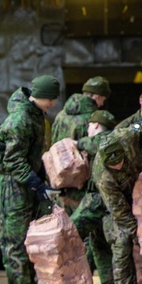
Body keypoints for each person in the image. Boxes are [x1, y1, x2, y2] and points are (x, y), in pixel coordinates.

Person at [0, 74, 61, 284]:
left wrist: (41, 179)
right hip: (11, 185)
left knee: (29, 241)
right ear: (38, 96)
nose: (52, 103)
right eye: (49, 99)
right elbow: (12, 160)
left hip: (25, 183)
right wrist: (35, 181)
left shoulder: (37, 116)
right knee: (15, 241)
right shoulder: (20, 120)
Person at [93, 121, 142, 284]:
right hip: (120, 206)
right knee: (121, 243)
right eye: (113, 166)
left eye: (120, 162)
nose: (118, 167)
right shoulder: (104, 178)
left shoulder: (127, 137)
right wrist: (137, 234)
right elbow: (120, 213)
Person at [69, 109, 118, 284]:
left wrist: (77, 142)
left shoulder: (104, 139)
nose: (88, 129)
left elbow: (95, 144)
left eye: (89, 125)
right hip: (104, 201)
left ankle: (68, 283)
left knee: (68, 233)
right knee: (100, 245)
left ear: (96, 125)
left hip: (98, 200)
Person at [50, 76, 111, 214]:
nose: (102, 104)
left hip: (60, 186)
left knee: (64, 230)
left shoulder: (60, 115)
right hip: (82, 190)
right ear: (96, 96)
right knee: (83, 231)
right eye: (102, 99)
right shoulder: (94, 118)